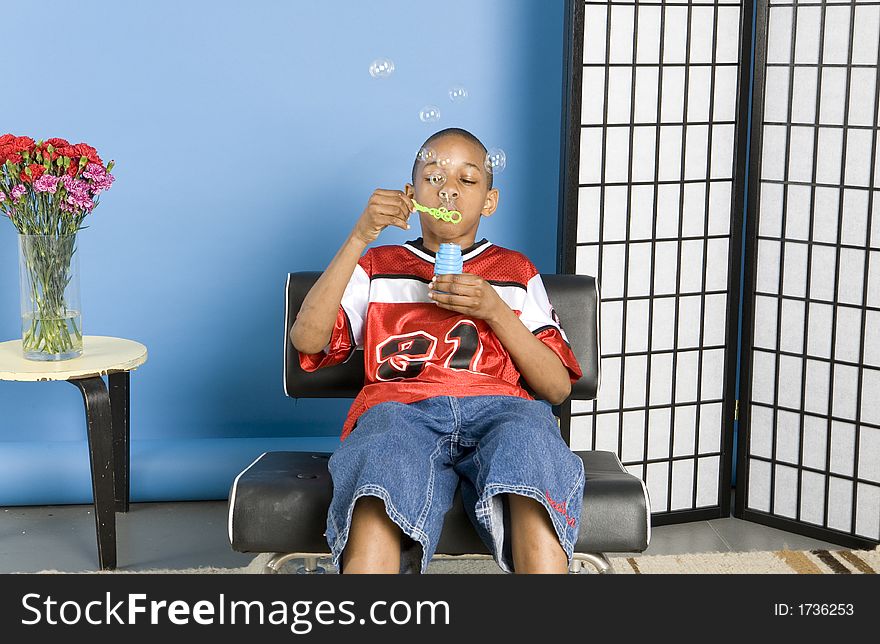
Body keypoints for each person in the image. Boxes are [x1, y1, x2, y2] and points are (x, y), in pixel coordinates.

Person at [290, 127, 584, 574]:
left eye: (467, 180)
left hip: (502, 410)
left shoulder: (515, 271)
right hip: (399, 410)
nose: (448, 189)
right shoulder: (377, 265)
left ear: (489, 200)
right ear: (412, 194)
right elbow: (308, 342)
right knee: (380, 466)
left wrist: (494, 309)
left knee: (530, 450)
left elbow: (557, 388)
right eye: (434, 177)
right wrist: (359, 236)